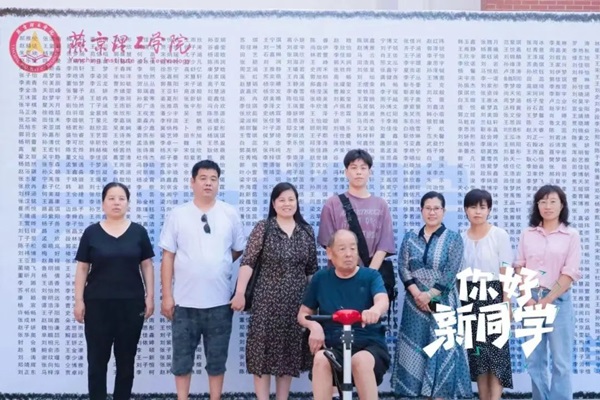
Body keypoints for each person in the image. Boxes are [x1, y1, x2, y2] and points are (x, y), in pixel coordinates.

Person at [159, 160, 246, 400]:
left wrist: (217, 263)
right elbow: (168, 256)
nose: (208, 183)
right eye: (203, 178)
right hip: (184, 302)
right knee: (181, 360)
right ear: (192, 182)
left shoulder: (229, 213)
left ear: (218, 183)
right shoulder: (178, 214)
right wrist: (167, 296)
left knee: (217, 360)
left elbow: (238, 249)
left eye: (213, 179)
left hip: (220, 302)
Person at [231, 182, 317, 400]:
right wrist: (240, 293)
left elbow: (311, 271)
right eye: (282, 200)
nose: (287, 204)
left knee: (288, 355)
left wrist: (314, 303)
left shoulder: (306, 231)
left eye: (291, 199)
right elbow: (248, 262)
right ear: (273, 203)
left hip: (296, 303)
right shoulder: (264, 228)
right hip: (265, 302)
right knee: (262, 354)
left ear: (297, 202)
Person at [73, 182, 155, 400]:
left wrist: (150, 296)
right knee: (97, 361)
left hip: (131, 305)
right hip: (97, 305)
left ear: (128, 203)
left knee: (126, 361)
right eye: (111, 198)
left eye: (121, 198)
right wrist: (78, 300)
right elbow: (82, 268)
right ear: (103, 203)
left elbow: (147, 265)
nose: (116, 202)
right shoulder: (91, 233)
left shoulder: (138, 232)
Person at [391, 191, 472, 400]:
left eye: (436, 208)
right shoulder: (410, 237)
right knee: (415, 348)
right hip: (414, 303)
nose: (432, 212)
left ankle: (441, 395)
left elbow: (451, 270)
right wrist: (417, 294)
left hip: (443, 301)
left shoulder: (453, 238)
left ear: (443, 211)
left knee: (443, 348)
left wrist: (430, 295)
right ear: (421, 211)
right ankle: (413, 392)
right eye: (428, 208)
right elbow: (403, 267)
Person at [298, 229, 390, 400]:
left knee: (360, 361)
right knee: (320, 359)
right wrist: (314, 326)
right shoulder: (321, 278)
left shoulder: (370, 276)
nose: (349, 254)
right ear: (329, 253)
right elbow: (303, 313)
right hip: (334, 345)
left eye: (353, 248)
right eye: (342, 249)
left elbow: (382, 300)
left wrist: (374, 311)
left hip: (367, 345)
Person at [514, 184, 581, 400]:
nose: (547, 206)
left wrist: (548, 299)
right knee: (534, 360)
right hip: (531, 300)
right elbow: (519, 266)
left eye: (553, 201)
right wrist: (527, 297)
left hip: (558, 301)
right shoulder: (527, 234)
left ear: (562, 205)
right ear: (537, 206)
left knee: (561, 361)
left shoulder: (571, 235)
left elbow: (570, 272)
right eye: (542, 201)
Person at [461, 189, 513, 400]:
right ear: (466, 210)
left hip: (494, 295)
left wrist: (507, 302)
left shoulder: (499, 235)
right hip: (469, 298)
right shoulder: (461, 238)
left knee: (497, 354)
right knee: (478, 355)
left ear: (489, 210)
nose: (477, 211)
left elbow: (506, 270)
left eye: (482, 207)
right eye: (473, 207)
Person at [317, 149, 395, 276]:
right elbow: (329, 244)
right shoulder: (332, 204)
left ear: (369, 172)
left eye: (363, 168)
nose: (358, 172)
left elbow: (384, 245)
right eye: (353, 168)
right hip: (339, 275)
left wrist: (368, 275)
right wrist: (349, 273)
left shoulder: (381, 205)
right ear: (346, 172)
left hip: (371, 276)